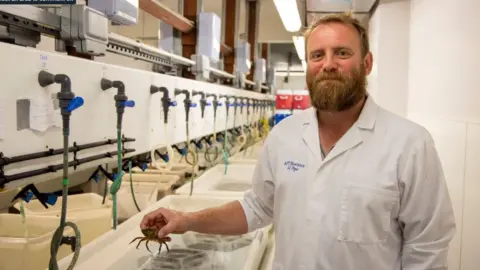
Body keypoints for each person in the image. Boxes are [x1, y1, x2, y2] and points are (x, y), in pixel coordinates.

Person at [140, 12, 456, 270]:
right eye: (317, 55)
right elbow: (256, 208)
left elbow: (427, 247)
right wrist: (185, 220)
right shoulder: (284, 137)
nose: (328, 64)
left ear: (367, 63)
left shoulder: (410, 145)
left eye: (342, 53)